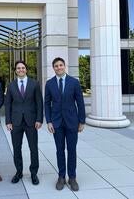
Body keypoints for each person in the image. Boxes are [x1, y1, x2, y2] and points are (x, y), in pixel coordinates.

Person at [44, 57, 85, 191]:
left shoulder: (74, 82)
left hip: (72, 122)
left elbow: (80, 102)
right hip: (56, 123)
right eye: (56, 66)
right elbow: (47, 104)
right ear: (53, 68)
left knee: (72, 150)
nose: (59, 67)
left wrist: (82, 121)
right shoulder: (49, 84)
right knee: (60, 150)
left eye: (61, 65)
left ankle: (72, 177)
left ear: (64, 66)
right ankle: (61, 176)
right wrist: (49, 121)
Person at [5, 61, 43, 185]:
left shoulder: (34, 84)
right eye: (18, 68)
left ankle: (33, 173)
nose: (20, 70)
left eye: (23, 68)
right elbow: (8, 104)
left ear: (26, 70)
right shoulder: (11, 85)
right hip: (15, 122)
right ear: (15, 71)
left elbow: (39, 103)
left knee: (33, 148)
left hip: (31, 121)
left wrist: (39, 119)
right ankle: (19, 172)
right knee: (17, 148)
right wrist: (8, 121)